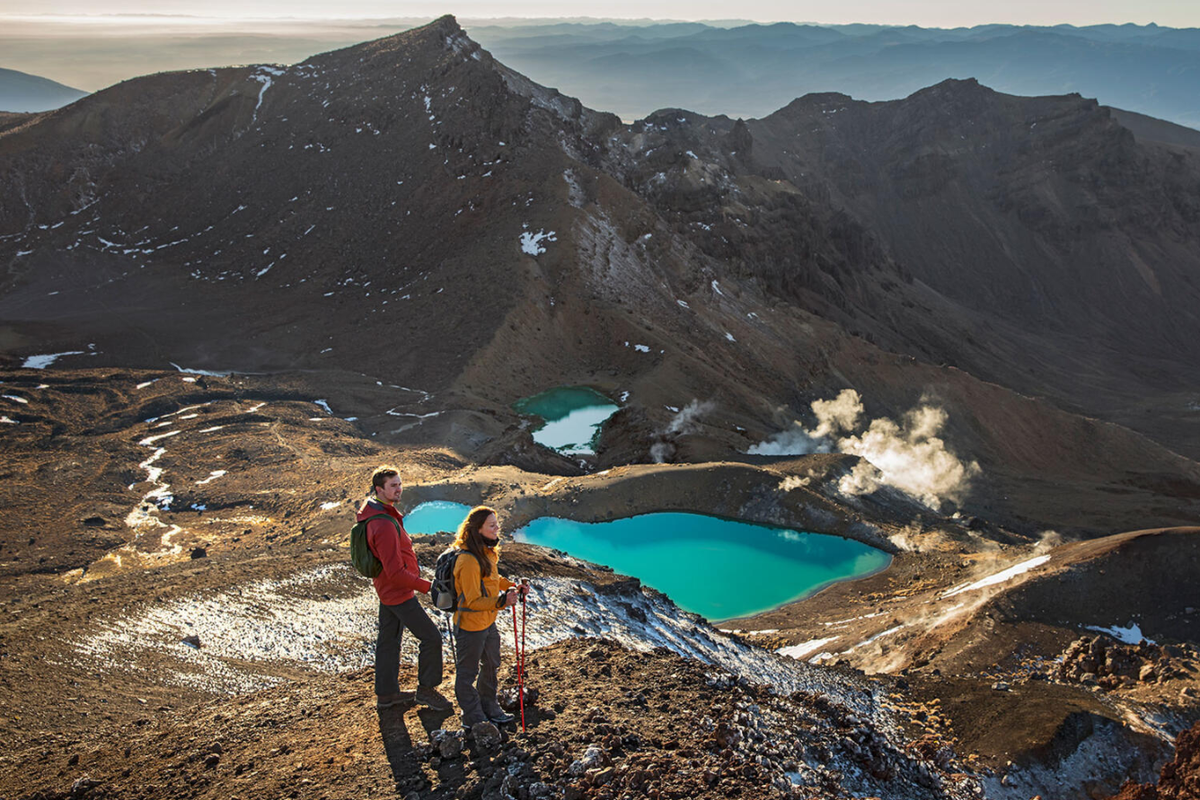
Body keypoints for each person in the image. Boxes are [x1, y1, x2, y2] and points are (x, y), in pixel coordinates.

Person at [358, 465, 451, 711]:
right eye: (393, 486)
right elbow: (395, 572)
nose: (399, 489)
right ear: (379, 489)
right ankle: (426, 690)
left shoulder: (379, 514)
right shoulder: (384, 525)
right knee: (431, 638)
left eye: (399, 484)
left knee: (388, 641)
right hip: (398, 593)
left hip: (387, 590)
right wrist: (429, 587)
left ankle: (386, 695)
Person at [451, 505, 530, 727]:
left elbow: (493, 580)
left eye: (497, 525)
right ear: (478, 529)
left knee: (492, 664)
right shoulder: (468, 560)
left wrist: (512, 586)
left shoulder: (486, 553)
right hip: (470, 626)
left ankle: (489, 706)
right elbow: (472, 601)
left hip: (487, 622)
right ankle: (473, 717)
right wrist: (502, 602)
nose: (497, 529)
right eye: (492, 525)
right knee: (467, 673)